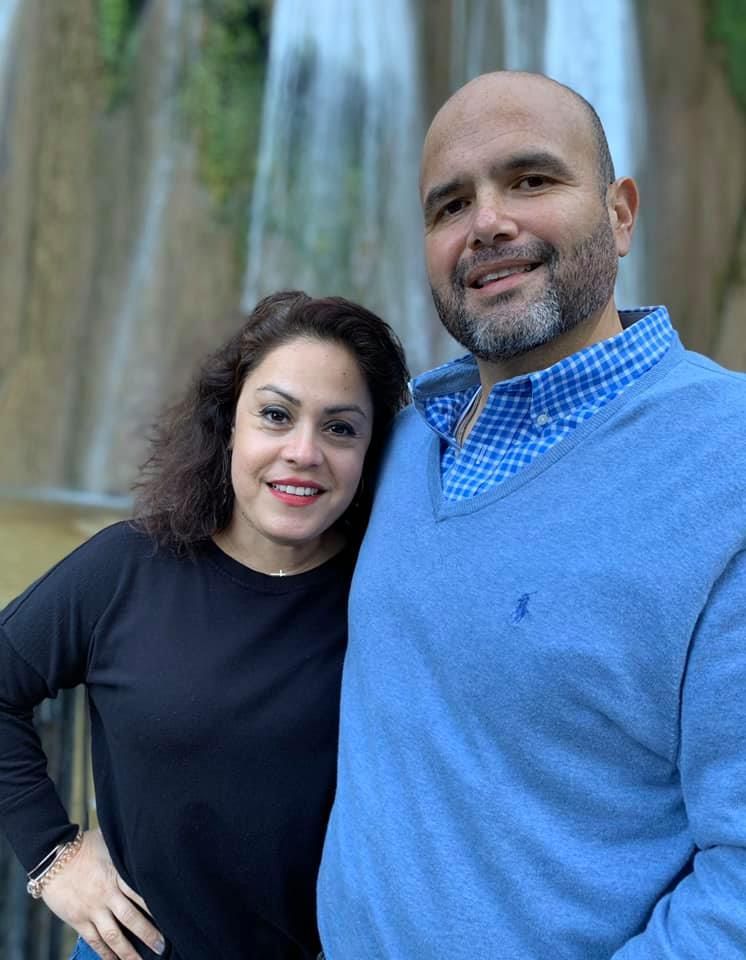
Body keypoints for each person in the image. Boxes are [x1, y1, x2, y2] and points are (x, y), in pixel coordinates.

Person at [317, 71, 746, 958]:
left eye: (532, 180)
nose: (488, 224)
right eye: (449, 205)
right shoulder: (394, 444)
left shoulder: (726, 464)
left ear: (623, 214)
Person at [0, 291, 409, 960]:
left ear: (371, 454)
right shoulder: (126, 569)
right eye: (275, 416)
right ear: (229, 426)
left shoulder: (384, 600)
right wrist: (53, 854)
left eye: (340, 428)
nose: (304, 452)